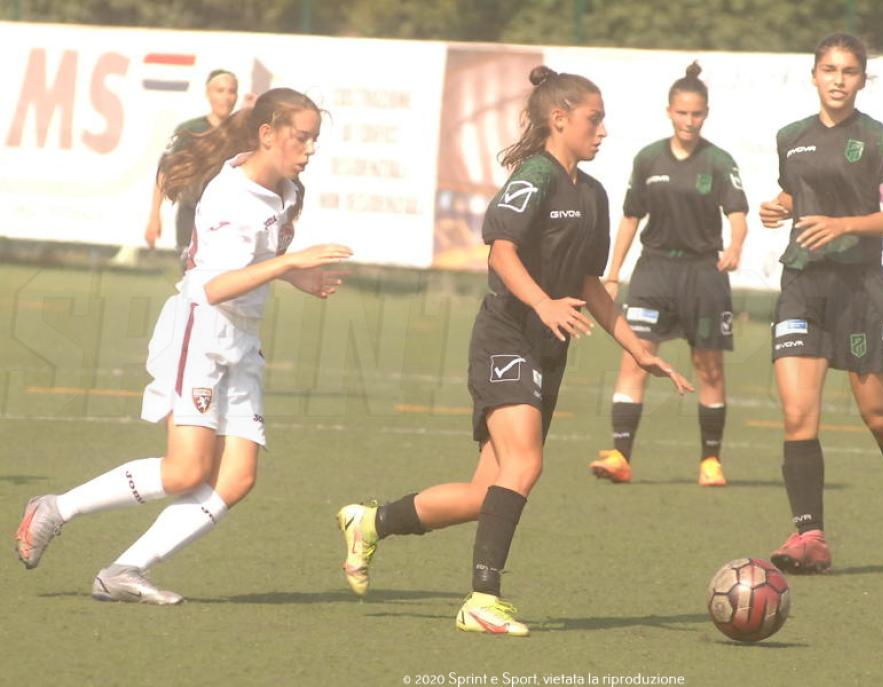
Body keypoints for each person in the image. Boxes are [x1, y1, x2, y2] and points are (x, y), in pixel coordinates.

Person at [335, 66, 691, 636]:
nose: (602, 131)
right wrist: (544, 303)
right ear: (559, 119)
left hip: (547, 349)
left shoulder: (594, 194)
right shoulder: (534, 176)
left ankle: (371, 523)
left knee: (488, 492)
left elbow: (590, 283)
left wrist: (636, 348)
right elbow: (501, 252)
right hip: (505, 337)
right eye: (594, 120)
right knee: (525, 465)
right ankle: (482, 599)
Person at [15, 88, 352, 603]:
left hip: (243, 339)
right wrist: (289, 264)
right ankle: (55, 509)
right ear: (267, 134)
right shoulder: (231, 196)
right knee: (185, 471)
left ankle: (123, 570)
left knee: (236, 478)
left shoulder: (284, 190)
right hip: (203, 331)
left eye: (314, 140)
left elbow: (252, 262)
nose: (309, 150)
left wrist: (291, 276)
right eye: (301, 138)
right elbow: (214, 286)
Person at [759, 33, 883, 576]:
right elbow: (798, 192)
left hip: (860, 290)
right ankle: (809, 535)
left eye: (849, 71)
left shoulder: (879, 139)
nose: (838, 80)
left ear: (862, 79)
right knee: (797, 414)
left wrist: (843, 225)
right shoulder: (791, 137)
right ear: (814, 74)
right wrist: (778, 207)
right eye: (830, 69)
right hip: (802, 283)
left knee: (880, 417)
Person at [588, 62, 748, 487]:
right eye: (682, 113)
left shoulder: (719, 161)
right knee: (635, 358)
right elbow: (630, 218)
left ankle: (710, 461)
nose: (689, 121)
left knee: (708, 368)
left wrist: (735, 246)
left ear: (706, 114)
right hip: (654, 272)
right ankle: (620, 456)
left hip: (703, 274)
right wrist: (612, 273)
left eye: (696, 114)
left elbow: (738, 214)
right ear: (669, 112)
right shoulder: (648, 159)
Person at [144, 69, 241, 252]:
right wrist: (154, 216)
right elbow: (164, 171)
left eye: (231, 91)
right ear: (208, 93)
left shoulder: (243, 133)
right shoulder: (189, 130)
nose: (226, 97)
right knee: (190, 267)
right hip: (192, 215)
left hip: (230, 218)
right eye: (220, 91)